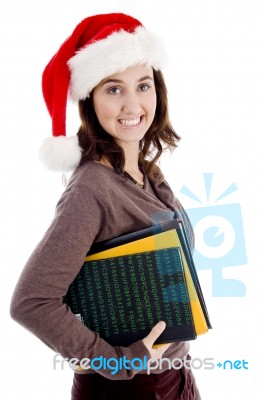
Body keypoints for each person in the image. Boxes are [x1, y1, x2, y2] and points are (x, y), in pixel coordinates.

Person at [10, 13, 201, 400]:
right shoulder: (91, 189)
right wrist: (118, 361)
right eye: (114, 89)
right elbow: (31, 303)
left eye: (143, 85)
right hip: (132, 389)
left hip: (175, 377)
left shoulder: (148, 173)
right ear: (90, 100)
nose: (133, 104)